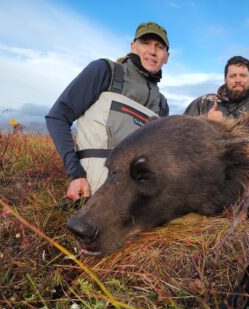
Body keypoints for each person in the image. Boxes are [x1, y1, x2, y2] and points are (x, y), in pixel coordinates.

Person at [46, 22, 170, 200]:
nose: (152, 51)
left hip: (140, 191)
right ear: (133, 46)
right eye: (146, 43)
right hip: (98, 189)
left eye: (159, 47)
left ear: (166, 56)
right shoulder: (104, 71)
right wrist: (76, 175)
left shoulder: (162, 104)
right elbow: (57, 117)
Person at [184, 56, 249, 120]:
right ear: (225, 79)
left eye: (243, 75)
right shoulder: (203, 103)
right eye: (232, 76)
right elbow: (180, 133)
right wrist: (206, 121)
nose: (238, 80)